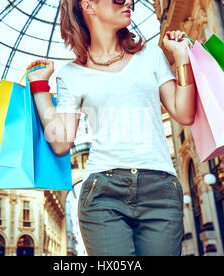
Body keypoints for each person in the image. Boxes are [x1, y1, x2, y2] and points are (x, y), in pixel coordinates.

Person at [26, 0, 197, 256]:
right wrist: (39, 86)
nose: (128, 1)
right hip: (102, 193)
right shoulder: (71, 74)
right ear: (88, 6)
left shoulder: (151, 55)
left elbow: (184, 112)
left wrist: (182, 57)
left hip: (160, 189)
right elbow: (61, 142)